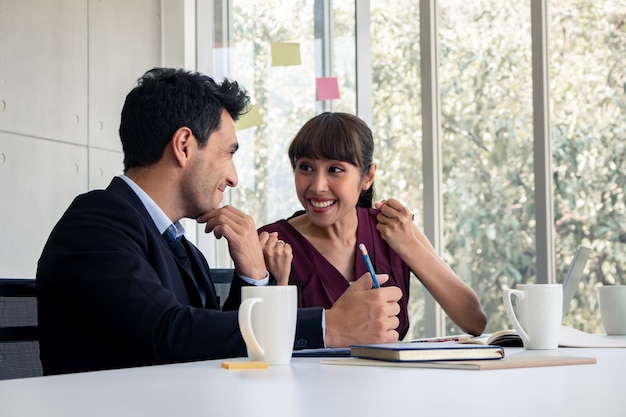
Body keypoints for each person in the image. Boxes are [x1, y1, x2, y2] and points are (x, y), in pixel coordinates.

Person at [36, 69, 402, 375]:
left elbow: (218, 349)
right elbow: (167, 333)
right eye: (227, 154)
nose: (233, 177)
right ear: (183, 146)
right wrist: (328, 325)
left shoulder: (184, 250)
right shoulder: (97, 222)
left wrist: (252, 275)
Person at [259, 112, 487, 339]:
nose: (318, 186)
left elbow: (474, 321)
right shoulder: (269, 243)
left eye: (335, 169)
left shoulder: (393, 229)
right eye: (306, 167)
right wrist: (279, 284)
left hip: (388, 375)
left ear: (367, 176)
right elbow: (247, 339)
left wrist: (408, 245)